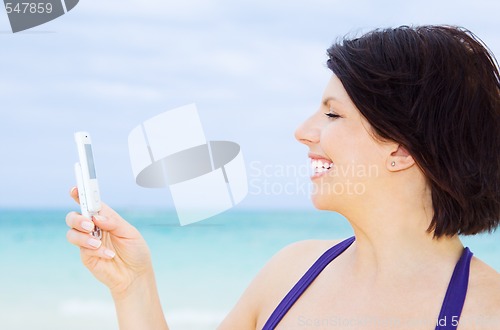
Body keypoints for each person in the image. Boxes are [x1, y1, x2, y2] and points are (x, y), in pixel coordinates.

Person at [66, 25, 500, 329]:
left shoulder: (489, 311)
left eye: (332, 113)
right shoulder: (291, 273)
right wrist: (132, 286)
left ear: (401, 148)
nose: (303, 131)